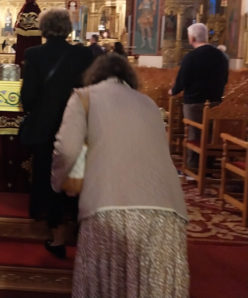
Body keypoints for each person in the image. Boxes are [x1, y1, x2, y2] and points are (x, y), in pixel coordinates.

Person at [52, 54, 188, 296]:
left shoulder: (83, 97)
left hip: (110, 209)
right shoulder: (148, 103)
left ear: (94, 76)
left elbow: (67, 149)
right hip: (167, 209)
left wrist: (57, 181)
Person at [20, 8, 93, 258]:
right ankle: (77, 228)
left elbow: (28, 98)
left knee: (48, 175)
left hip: (44, 126)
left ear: (43, 29)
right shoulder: (84, 55)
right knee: (75, 173)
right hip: (77, 124)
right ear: (68, 29)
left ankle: (56, 232)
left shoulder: (34, 55)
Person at [169, 23, 228, 166]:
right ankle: (208, 164)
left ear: (192, 38)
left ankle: (193, 166)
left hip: (194, 102)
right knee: (210, 134)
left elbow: (182, 80)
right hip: (215, 102)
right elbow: (225, 78)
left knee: (194, 134)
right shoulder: (220, 56)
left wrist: (173, 91)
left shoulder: (191, 57)